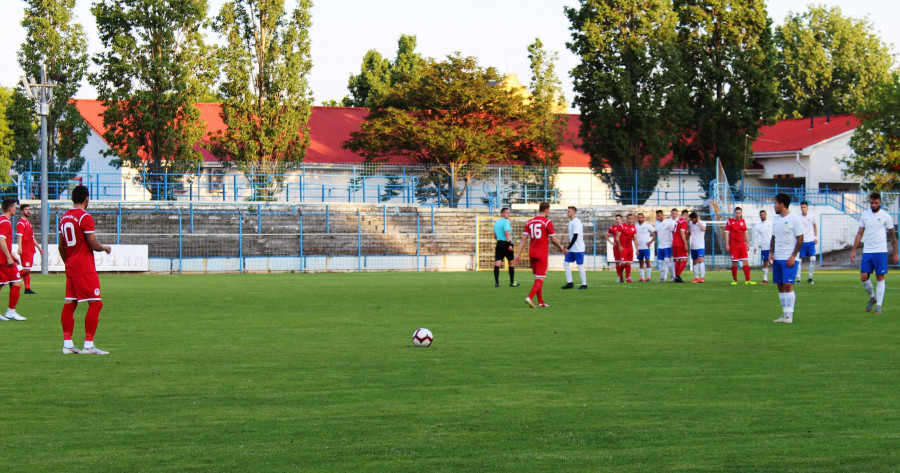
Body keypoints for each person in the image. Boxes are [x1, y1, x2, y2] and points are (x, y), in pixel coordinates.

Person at [59, 185, 112, 354]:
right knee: (96, 303)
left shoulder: (64, 218)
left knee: (70, 303)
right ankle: (89, 345)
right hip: (84, 266)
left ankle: (68, 344)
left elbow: (60, 246)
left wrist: (68, 263)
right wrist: (104, 247)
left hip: (71, 265)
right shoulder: (85, 217)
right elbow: (93, 244)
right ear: (87, 199)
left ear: (72, 198)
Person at [850, 192, 898, 314]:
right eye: (872, 203)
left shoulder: (885, 216)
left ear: (880, 202)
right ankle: (872, 297)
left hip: (881, 251)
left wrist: (895, 253)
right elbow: (859, 233)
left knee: (880, 277)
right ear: (869, 202)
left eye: (876, 203)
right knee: (863, 277)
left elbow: (893, 236)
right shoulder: (865, 215)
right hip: (867, 251)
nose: (874, 205)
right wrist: (853, 250)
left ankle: (879, 306)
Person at [513, 202, 567, 308]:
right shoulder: (547, 222)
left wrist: (518, 254)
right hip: (541, 253)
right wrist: (561, 247)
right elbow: (553, 239)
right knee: (540, 278)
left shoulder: (529, 222)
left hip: (532, 253)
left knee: (538, 277)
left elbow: (523, 239)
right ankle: (530, 297)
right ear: (546, 210)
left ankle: (540, 302)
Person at [770, 193, 805, 323]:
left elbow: (800, 239)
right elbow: (773, 237)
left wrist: (793, 256)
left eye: (775, 203)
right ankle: (784, 314)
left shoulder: (794, 219)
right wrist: (771, 253)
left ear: (782, 204)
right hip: (777, 258)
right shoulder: (776, 220)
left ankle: (790, 315)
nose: (774, 206)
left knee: (788, 284)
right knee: (780, 285)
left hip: (789, 258)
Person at [0, 199, 25, 321]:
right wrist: (9, 257)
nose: (16, 209)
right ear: (10, 208)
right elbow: (1, 240)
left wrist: (11, 255)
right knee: (17, 282)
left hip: (3, 257)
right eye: (15, 207)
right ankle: (11, 311)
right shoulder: (5, 222)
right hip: (3, 260)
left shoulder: (1, 220)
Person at [16, 204, 43, 294]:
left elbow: (32, 237)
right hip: (25, 249)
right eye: (26, 209)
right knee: (26, 269)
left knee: (27, 270)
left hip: (30, 248)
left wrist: (39, 248)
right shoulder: (21, 223)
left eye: (29, 209)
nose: (28, 211)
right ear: (22, 211)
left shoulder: (28, 222)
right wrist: (20, 247)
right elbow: (19, 236)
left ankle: (27, 289)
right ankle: (13, 279)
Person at [725, 207, 756, 285]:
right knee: (734, 262)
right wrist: (727, 245)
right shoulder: (729, 222)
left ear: (741, 213)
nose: (738, 214)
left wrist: (747, 243)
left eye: (739, 213)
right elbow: (727, 234)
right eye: (737, 213)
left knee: (745, 261)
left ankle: (748, 280)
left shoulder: (743, 221)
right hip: (733, 245)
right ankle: (735, 280)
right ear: (734, 213)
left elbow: (745, 233)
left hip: (742, 245)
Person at [561, 206, 587, 289]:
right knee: (565, 263)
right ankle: (570, 283)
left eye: (569, 211)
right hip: (573, 248)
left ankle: (584, 284)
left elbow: (575, 236)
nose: (567, 213)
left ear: (573, 212)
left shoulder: (577, 222)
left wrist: (568, 248)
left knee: (580, 265)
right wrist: (570, 248)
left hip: (578, 248)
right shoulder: (571, 221)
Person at [492, 207, 519, 288]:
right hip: (506, 243)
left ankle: (496, 283)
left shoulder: (496, 222)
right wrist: (509, 244)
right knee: (511, 262)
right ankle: (512, 282)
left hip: (499, 243)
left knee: (498, 263)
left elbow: (495, 235)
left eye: (509, 212)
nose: (508, 214)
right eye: (507, 212)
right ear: (502, 213)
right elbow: (507, 233)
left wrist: (499, 241)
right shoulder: (506, 222)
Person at [797, 201, 818, 285]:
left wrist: (815, 237)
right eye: (801, 207)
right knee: (799, 261)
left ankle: (810, 277)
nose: (803, 209)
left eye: (804, 207)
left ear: (807, 207)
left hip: (810, 241)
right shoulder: (797, 217)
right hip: (802, 242)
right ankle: (798, 279)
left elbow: (815, 226)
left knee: (813, 259)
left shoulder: (812, 216)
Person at [616, 213, 637, 283]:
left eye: (632, 219)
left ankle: (628, 278)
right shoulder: (622, 226)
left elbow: (635, 238)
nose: (630, 220)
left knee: (628, 263)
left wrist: (637, 248)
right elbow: (617, 237)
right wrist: (619, 246)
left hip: (630, 247)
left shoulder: (634, 227)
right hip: (623, 247)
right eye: (629, 219)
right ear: (626, 219)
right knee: (624, 263)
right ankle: (620, 276)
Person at [635, 212, 656, 282]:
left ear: (643, 218)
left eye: (641, 217)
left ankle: (648, 277)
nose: (640, 219)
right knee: (641, 262)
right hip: (639, 247)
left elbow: (655, 232)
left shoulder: (647, 225)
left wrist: (651, 241)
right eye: (638, 217)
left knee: (647, 261)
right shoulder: (635, 226)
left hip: (646, 247)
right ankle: (642, 278)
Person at [655, 210, 674, 282]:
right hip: (660, 246)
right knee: (660, 262)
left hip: (668, 245)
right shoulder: (657, 223)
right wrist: (651, 241)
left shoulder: (668, 222)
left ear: (663, 215)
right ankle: (663, 278)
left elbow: (673, 232)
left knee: (667, 261)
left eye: (659, 216)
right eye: (657, 216)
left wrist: (673, 242)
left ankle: (672, 276)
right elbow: (656, 233)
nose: (658, 217)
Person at [754, 210, 773, 284]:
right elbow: (756, 237)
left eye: (763, 214)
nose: (762, 216)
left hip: (772, 246)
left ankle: (776, 278)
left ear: (766, 215)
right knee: (765, 262)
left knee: (774, 262)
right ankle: (765, 279)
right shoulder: (758, 226)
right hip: (764, 247)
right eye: (761, 215)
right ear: (759, 216)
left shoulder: (770, 223)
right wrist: (755, 247)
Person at [687, 212, 706, 283]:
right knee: (695, 261)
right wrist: (685, 241)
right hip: (693, 246)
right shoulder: (690, 224)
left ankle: (702, 277)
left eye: (693, 219)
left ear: (696, 218)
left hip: (700, 246)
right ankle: (696, 277)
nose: (692, 221)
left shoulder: (702, 222)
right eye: (691, 219)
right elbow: (689, 233)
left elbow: (703, 229)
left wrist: (698, 221)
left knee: (700, 260)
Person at [671, 209, 689, 283]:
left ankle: (676, 276)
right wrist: (685, 243)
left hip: (674, 242)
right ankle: (677, 276)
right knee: (684, 259)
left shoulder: (677, 221)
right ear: (686, 215)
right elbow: (682, 232)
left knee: (677, 259)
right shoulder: (683, 221)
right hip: (680, 243)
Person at [607, 214, 623, 282]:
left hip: (623, 246)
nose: (618, 220)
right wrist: (611, 242)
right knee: (617, 262)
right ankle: (619, 277)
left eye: (619, 219)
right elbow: (606, 235)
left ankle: (627, 276)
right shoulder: (613, 227)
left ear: (621, 220)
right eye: (616, 219)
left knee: (625, 262)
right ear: (615, 220)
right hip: (616, 247)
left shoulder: (623, 227)